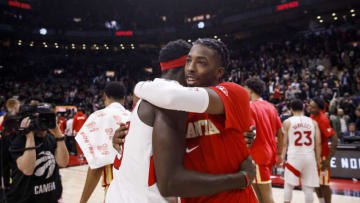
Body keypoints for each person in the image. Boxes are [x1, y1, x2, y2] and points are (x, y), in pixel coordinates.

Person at [107, 39, 256, 203]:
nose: (191, 68)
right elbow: (168, 179)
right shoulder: (173, 107)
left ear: (219, 71)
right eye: (188, 61)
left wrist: (139, 87)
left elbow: (171, 96)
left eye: (201, 62)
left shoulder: (232, 91)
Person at [76, 82, 131, 203]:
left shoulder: (98, 117)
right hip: (135, 186)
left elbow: (96, 166)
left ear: (104, 96)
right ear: (124, 98)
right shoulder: (133, 116)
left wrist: (83, 201)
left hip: (114, 187)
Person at [7, 104, 69, 203]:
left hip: (51, 198)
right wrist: (30, 136)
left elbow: (63, 162)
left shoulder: (52, 138)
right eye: (41, 118)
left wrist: (58, 134)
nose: (44, 121)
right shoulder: (19, 141)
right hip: (25, 199)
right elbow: (28, 170)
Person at [244, 78, 283, 203]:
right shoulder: (271, 107)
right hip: (269, 153)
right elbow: (281, 132)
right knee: (260, 197)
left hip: (258, 155)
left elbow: (251, 131)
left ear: (250, 91)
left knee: (266, 197)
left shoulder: (250, 107)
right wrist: (279, 153)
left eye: (245, 88)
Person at [281, 99, 321, 203]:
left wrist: (281, 157)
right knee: (308, 187)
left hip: (294, 158)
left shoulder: (287, 122)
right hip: (309, 157)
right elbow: (318, 143)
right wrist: (318, 159)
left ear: (291, 110)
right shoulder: (313, 122)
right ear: (303, 108)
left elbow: (285, 143)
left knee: (288, 185)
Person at [309, 97, 338, 203]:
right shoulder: (312, 116)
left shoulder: (323, 120)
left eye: (313, 107)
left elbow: (335, 139)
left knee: (324, 185)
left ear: (320, 109)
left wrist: (329, 158)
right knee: (316, 183)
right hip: (313, 156)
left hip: (323, 157)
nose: (310, 108)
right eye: (310, 106)